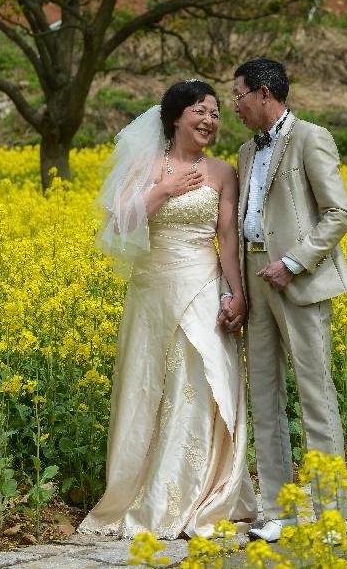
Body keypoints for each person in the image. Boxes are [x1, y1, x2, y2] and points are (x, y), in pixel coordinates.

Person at [78, 80, 257, 539]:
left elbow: (228, 238)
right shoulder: (147, 164)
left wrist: (236, 294)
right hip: (152, 292)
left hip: (202, 282)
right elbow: (119, 219)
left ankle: (198, 490)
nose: (210, 120)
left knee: (202, 380)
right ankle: (148, 492)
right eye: (200, 110)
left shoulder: (222, 172)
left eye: (216, 113)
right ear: (176, 116)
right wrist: (167, 187)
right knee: (150, 386)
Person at [219, 58, 347, 543]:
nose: (233, 105)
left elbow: (339, 212)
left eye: (237, 95)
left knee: (315, 395)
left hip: (297, 279)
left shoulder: (310, 137)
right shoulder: (244, 151)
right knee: (264, 397)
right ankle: (280, 510)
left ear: (262, 93)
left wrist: (293, 262)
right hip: (256, 279)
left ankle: (330, 514)